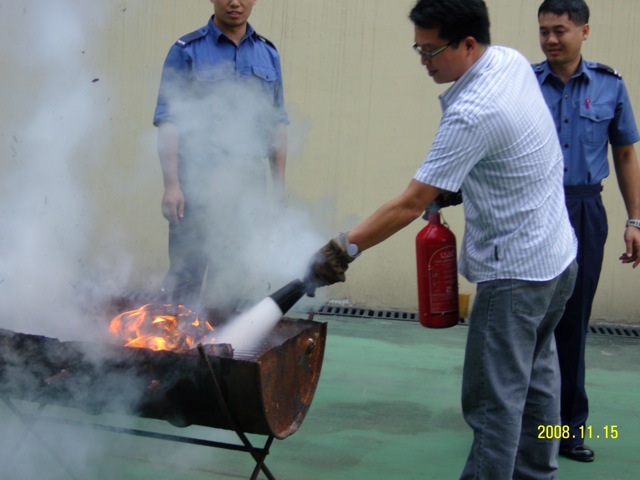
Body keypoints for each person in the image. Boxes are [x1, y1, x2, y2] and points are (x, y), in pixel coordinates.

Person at [306, 0, 580, 478]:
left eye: (430, 51)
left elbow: (410, 204)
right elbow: (515, 144)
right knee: (539, 388)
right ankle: (540, 473)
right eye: (418, 49)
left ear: (467, 44)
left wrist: (341, 249)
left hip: (513, 275)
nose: (423, 61)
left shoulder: (473, 111)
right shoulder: (511, 61)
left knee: (495, 407)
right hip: (557, 261)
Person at [534, 0, 640, 463]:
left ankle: (566, 430)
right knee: (527, 320)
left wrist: (635, 219)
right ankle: (522, 423)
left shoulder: (609, 85)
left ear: (584, 31)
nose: (551, 39)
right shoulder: (524, 84)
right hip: (533, 209)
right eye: (543, 31)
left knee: (573, 321)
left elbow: (626, 155)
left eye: (560, 30)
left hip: (582, 209)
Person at [152, 0, 288, 309]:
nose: (235, 3)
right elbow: (168, 120)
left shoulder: (268, 54)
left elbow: (277, 124)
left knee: (232, 273)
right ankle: (174, 349)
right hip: (196, 179)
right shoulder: (186, 50)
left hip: (247, 181)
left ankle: (216, 348)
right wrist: (171, 184)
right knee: (187, 271)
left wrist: (278, 188)